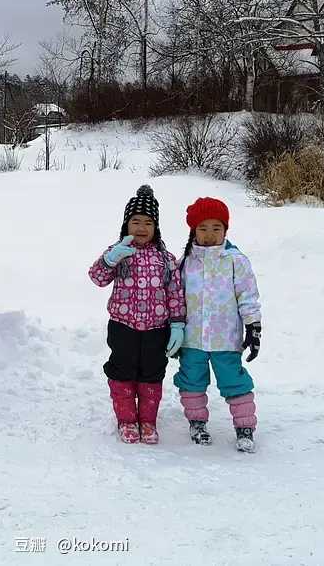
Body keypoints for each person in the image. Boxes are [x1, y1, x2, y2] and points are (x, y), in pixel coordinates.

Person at [88, 185, 184, 445]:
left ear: (156, 227)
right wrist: (110, 259)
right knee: (122, 370)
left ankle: (148, 421)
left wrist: (177, 325)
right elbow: (96, 278)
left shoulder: (166, 258)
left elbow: (175, 293)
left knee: (152, 372)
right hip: (123, 326)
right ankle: (127, 419)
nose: (141, 228)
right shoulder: (117, 252)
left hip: (157, 329)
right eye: (136, 221)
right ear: (126, 224)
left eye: (148, 222)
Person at [173, 197, 261, 453]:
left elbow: (248, 296)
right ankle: (197, 423)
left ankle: (245, 427)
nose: (209, 235)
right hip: (192, 339)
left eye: (216, 228)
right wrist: (173, 327)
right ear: (193, 230)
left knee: (234, 380)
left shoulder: (236, 260)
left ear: (225, 230)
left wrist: (253, 326)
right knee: (192, 381)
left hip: (226, 338)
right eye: (202, 228)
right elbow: (175, 298)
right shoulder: (185, 263)